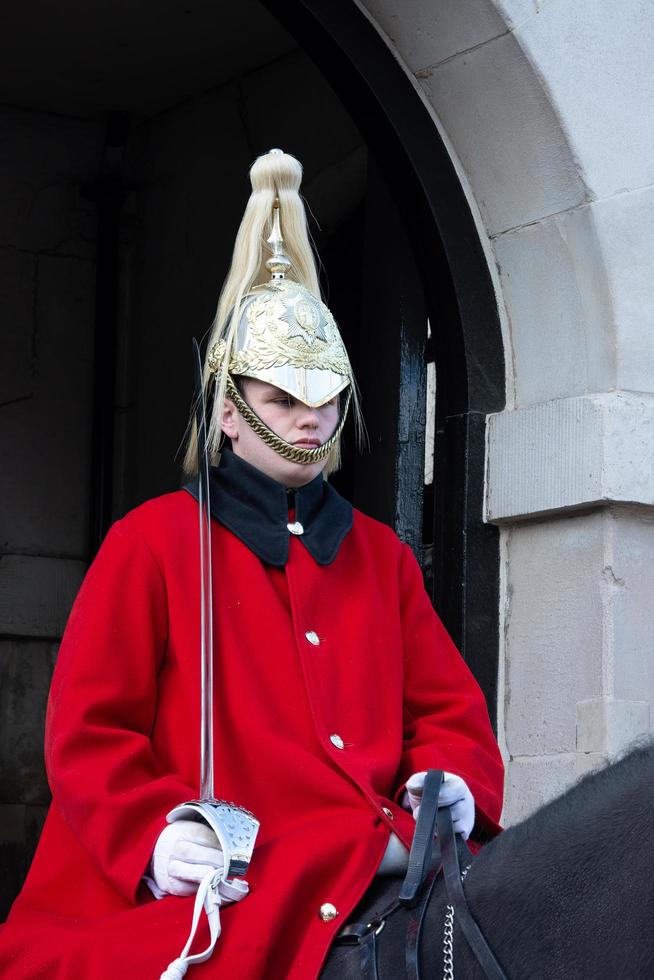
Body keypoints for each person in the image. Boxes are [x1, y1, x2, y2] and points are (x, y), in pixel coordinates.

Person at [0, 149, 503, 979]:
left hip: (369, 855)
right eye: (282, 400)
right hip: (230, 873)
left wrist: (451, 779)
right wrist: (153, 835)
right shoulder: (152, 541)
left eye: (324, 399)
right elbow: (90, 733)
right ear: (230, 414)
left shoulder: (381, 556)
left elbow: (447, 710)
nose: (311, 419)